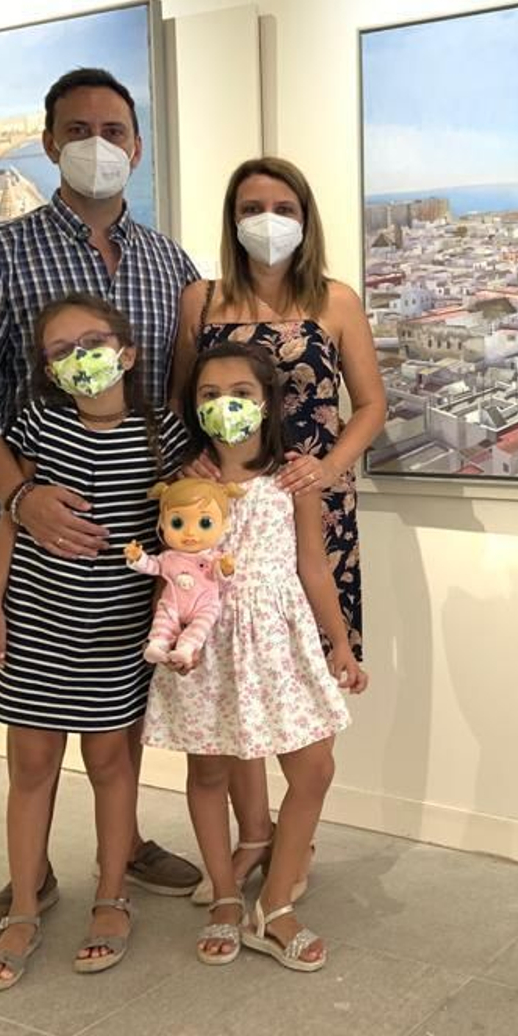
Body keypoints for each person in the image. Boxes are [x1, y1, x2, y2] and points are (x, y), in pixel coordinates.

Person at [0, 67, 203, 955]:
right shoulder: (0, 252)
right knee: (38, 728)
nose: (98, 143)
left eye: (115, 129)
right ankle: (32, 880)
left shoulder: (171, 261)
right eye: (79, 128)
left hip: (138, 543)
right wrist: (20, 492)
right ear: (49, 143)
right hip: (30, 529)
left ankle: (119, 854)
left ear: (136, 144)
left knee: (120, 718)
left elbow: (187, 395)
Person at [170, 157, 385, 904]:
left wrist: (324, 470)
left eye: (284, 204)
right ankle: (253, 833)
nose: (268, 218)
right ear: (231, 218)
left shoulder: (335, 299)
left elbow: (370, 407)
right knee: (234, 675)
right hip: (223, 512)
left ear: (306, 216)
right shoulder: (201, 299)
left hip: (307, 505)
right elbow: (179, 403)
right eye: (252, 205)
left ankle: (290, 842)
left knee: (293, 669)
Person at [0, 295, 191, 991]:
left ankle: (111, 895)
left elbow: (178, 539)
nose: (79, 359)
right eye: (60, 352)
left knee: (109, 765)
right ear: (49, 370)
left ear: (128, 353)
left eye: (91, 343)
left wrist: (175, 622)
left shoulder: (166, 436)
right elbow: (13, 516)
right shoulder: (38, 422)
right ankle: (26, 905)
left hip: (116, 632)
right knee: (30, 766)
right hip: (36, 620)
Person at [144, 342, 367, 970]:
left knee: (314, 768)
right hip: (207, 641)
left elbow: (313, 565)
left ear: (266, 401)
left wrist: (339, 643)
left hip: (280, 639)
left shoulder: (293, 475)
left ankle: (274, 903)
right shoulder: (184, 480)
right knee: (210, 771)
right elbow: (173, 568)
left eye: (240, 393)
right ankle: (222, 896)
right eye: (210, 396)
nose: (225, 406)